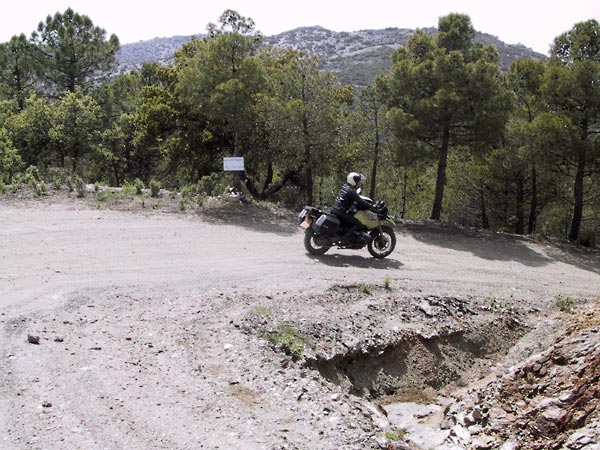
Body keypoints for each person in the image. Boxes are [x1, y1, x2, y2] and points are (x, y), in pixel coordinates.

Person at [331, 172, 372, 240]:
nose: (358, 182)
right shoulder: (351, 191)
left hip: (335, 209)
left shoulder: (345, 186)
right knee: (358, 223)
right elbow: (360, 201)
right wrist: (370, 206)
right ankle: (345, 237)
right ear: (353, 180)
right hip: (341, 211)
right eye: (357, 180)